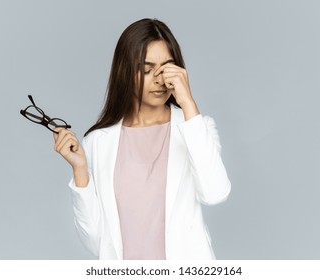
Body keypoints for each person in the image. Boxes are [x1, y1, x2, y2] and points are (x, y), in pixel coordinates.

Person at [53, 18, 231, 260]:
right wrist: (80, 170)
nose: (159, 80)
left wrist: (188, 103)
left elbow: (215, 193)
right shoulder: (98, 141)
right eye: (146, 70)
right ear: (125, 72)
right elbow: (96, 242)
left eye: (166, 68)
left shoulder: (196, 126)